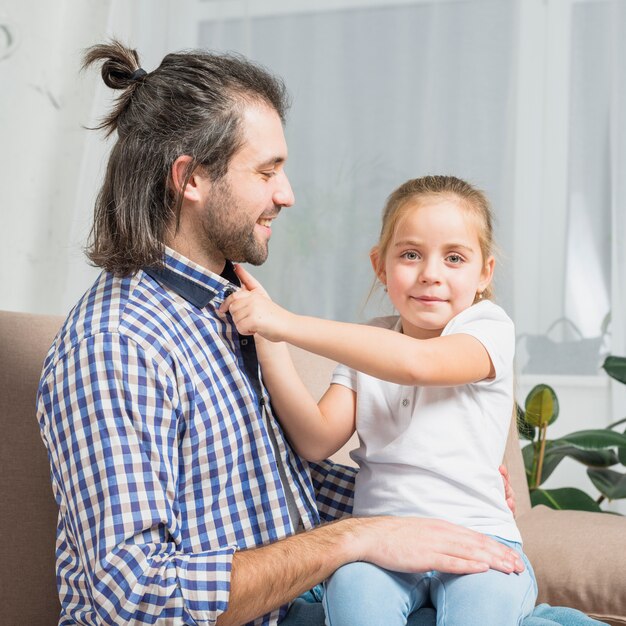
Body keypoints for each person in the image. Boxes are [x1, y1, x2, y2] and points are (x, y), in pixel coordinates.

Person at [35, 41, 604, 626]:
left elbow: (270, 476)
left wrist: (442, 494)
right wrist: (353, 538)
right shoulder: (118, 346)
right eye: (267, 171)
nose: (287, 195)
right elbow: (137, 601)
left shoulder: (228, 310)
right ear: (192, 179)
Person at [222, 174, 534, 625]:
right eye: (410, 254)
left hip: (479, 539)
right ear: (380, 267)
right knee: (353, 595)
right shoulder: (370, 340)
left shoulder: (489, 329)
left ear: (484, 273)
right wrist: (270, 344)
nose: (430, 273)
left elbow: (419, 364)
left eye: (454, 258)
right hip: (382, 544)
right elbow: (315, 439)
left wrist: (286, 323)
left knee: (480, 612)